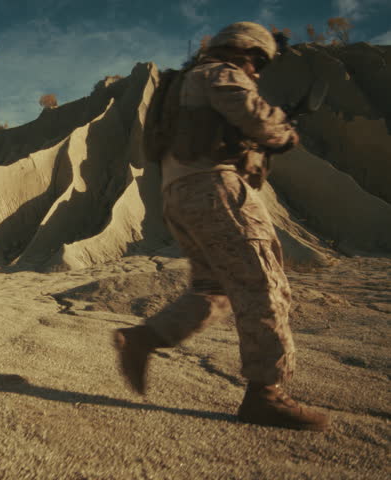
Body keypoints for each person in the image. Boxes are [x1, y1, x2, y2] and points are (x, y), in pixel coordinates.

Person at [114, 22, 330, 431]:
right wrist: (284, 133)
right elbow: (257, 119)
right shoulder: (219, 73)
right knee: (264, 284)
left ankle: (142, 340)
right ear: (243, 51)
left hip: (179, 195)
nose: (257, 71)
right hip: (216, 190)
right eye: (257, 61)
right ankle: (266, 394)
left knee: (214, 290)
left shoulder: (181, 87)